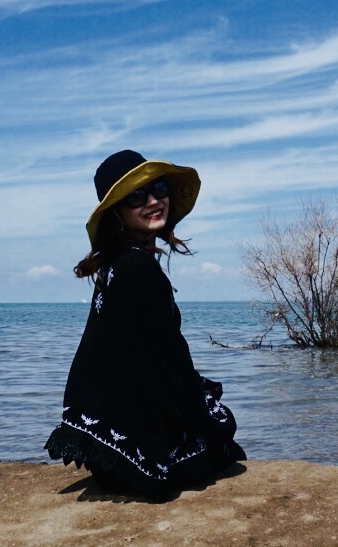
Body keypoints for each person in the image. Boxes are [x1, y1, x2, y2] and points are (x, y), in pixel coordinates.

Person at [44, 149, 245, 498]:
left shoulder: (117, 264)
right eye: (137, 196)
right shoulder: (138, 267)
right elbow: (169, 363)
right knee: (223, 430)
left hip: (106, 446)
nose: (154, 201)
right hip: (133, 460)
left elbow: (143, 359)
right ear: (117, 212)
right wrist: (203, 407)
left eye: (160, 189)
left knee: (209, 409)